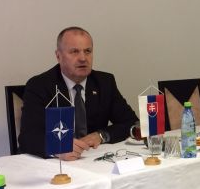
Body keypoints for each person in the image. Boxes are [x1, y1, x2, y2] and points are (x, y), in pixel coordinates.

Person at [18, 26, 139, 160]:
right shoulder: (40, 85)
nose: (83, 58)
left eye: (87, 51)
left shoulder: (104, 82)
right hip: (56, 164)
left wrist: (100, 135)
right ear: (58, 56)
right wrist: (57, 147)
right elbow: (28, 137)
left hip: (93, 158)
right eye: (74, 51)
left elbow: (131, 123)